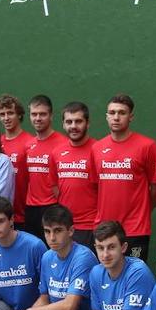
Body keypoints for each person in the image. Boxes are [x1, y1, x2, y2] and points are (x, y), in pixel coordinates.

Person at [95, 94, 156, 260]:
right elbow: (93, 187)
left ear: (131, 116)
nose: (116, 117)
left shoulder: (147, 146)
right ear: (106, 116)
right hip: (104, 229)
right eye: (112, 113)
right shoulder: (97, 148)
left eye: (122, 112)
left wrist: (142, 210)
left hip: (135, 229)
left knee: (134, 277)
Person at [55, 101, 99, 247]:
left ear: (88, 123)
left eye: (78, 121)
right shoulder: (57, 152)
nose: (73, 126)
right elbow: (55, 189)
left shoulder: (98, 150)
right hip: (65, 226)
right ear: (63, 124)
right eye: (69, 122)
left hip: (92, 227)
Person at [24, 95, 64, 237]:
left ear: (51, 116)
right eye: (34, 114)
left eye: (43, 114)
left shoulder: (62, 144)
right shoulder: (28, 144)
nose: (38, 118)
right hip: (30, 209)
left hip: (52, 207)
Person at [0, 94, 34, 230]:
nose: (6, 118)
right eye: (2, 114)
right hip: (1, 215)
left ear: (19, 115)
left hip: (24, 214)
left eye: (10, 113)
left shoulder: (30, 142)